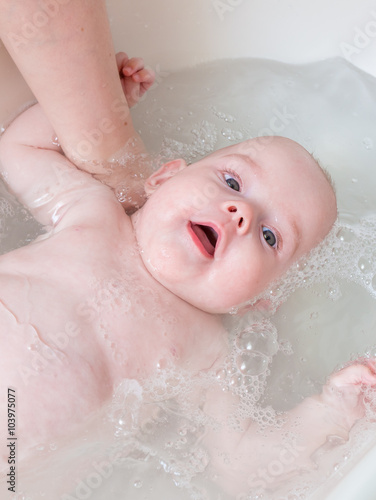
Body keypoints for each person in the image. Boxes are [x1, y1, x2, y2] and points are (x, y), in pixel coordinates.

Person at [0, 1, 375, 496]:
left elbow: (242, 468)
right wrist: (102, 102)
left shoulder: (210, 354)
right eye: (232, 180)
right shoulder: (93, 212)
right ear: (161, 178)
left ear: (263, 298)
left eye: (270, 237)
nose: (241, 213)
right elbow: (20, 149)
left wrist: (334, 410)